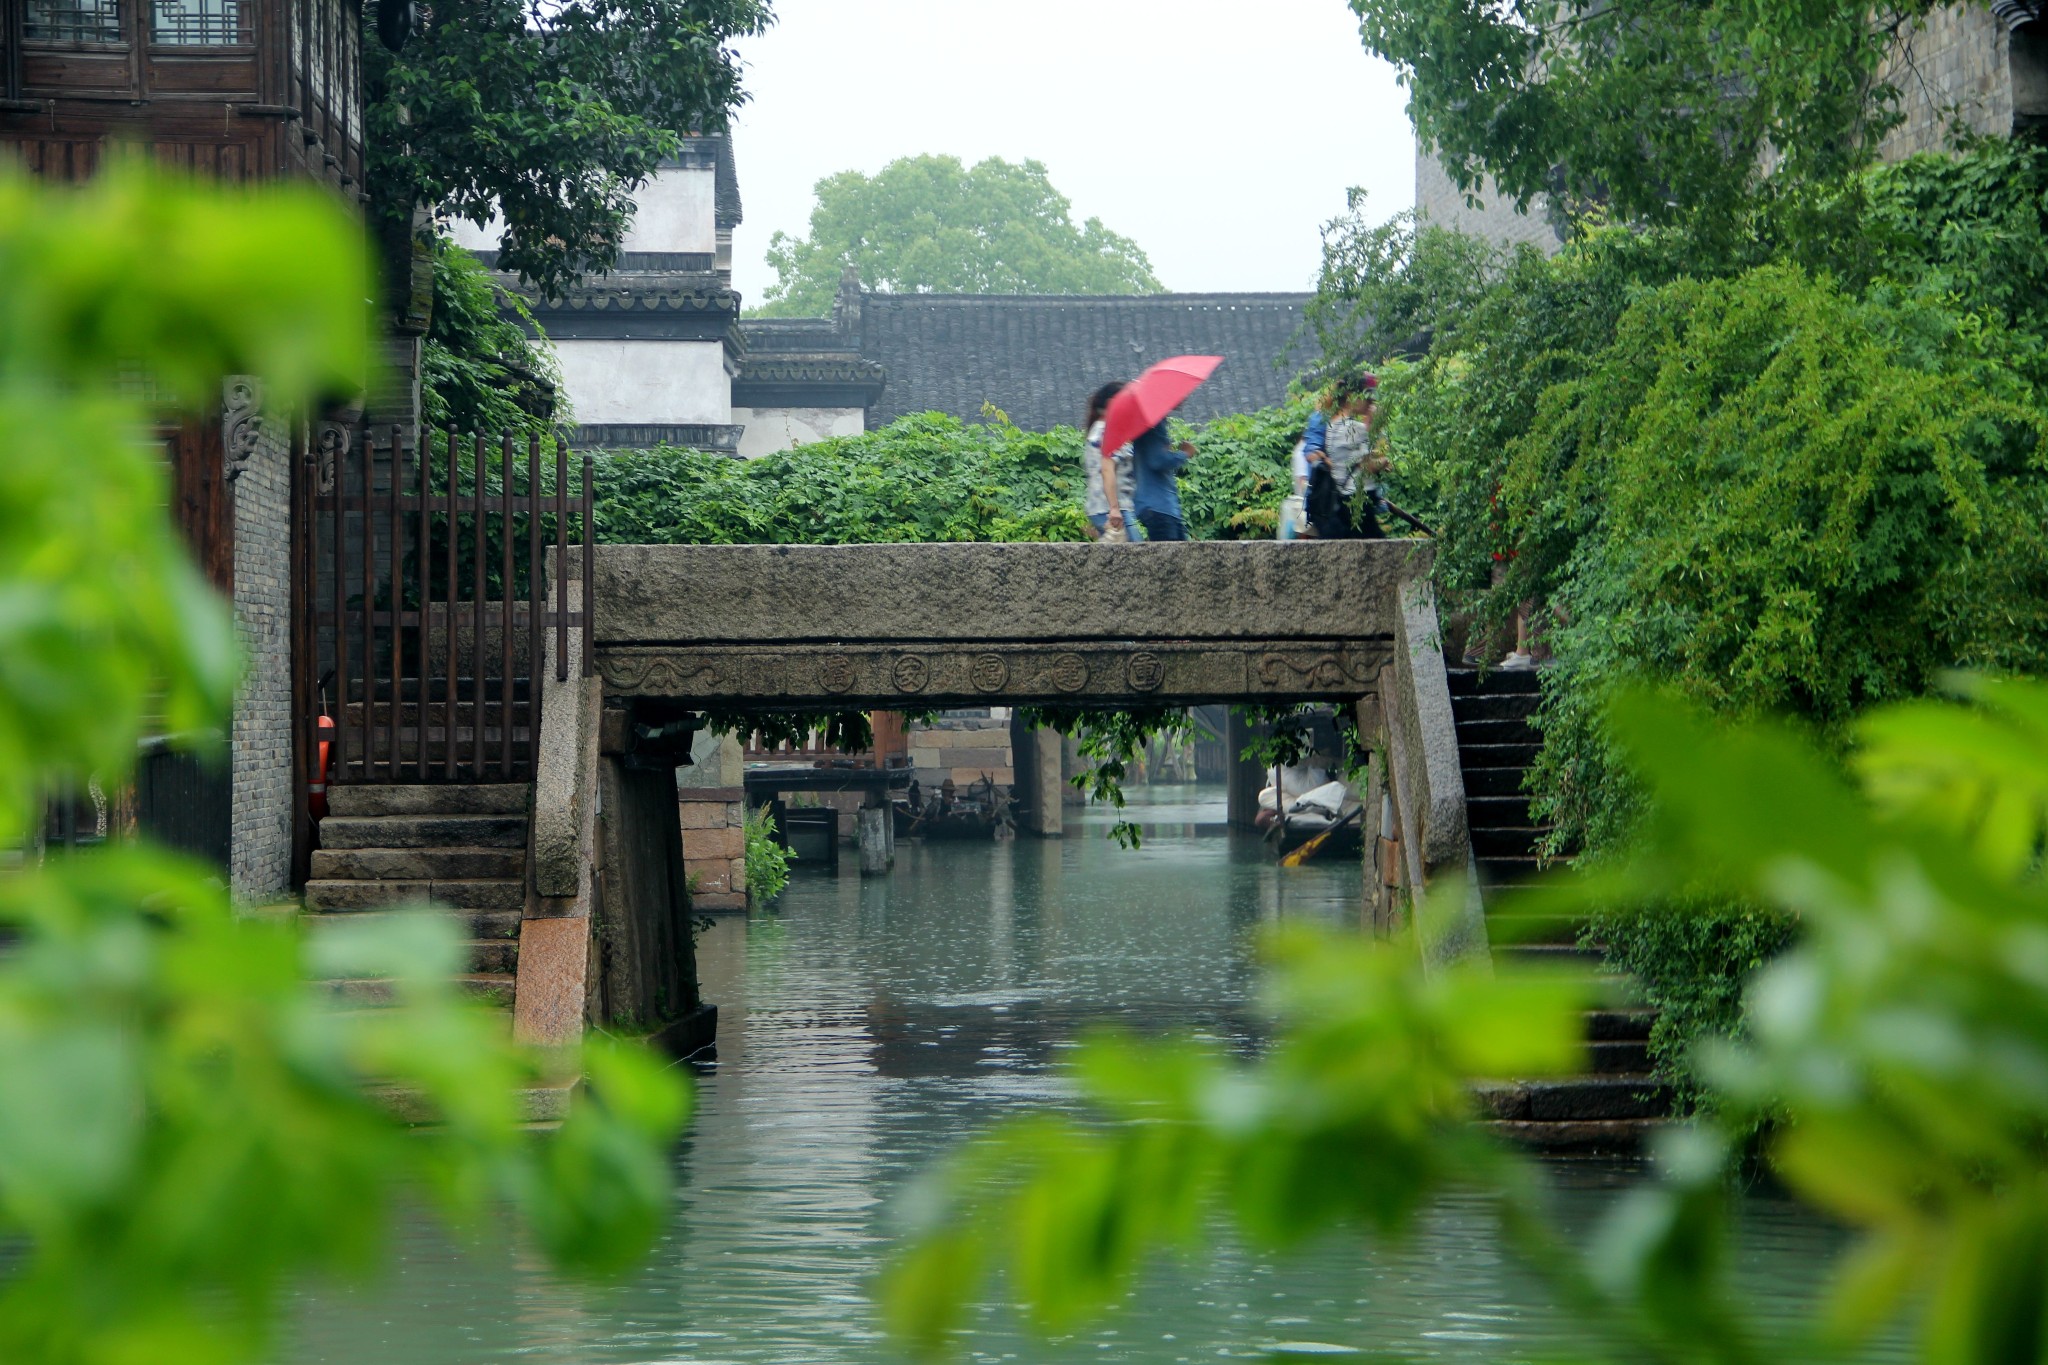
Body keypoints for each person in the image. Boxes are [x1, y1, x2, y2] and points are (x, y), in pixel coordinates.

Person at [1304, 373, 1391, 539]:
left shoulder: (1332, 425)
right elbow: (1369, 466)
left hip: (1343, 500)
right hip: (1360, 500)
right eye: (1368, 398)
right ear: (1352, 396)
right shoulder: (1355, 428)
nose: (1371, 402)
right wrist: (1385, 460)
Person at [1080, 381, 1139, 540]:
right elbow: (1107, 469)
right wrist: (1114, 508)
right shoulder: (1104, 430)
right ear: (1112, 403)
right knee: (1138, 555)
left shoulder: (1104, 429)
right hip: (1110, 507)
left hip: (1112, 506)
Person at [1131, 418, 1197, 542]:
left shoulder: (1144, 425)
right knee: (1172, 558)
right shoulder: (1154, 425)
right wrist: (1184, 453)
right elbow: (1158, 461)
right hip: (1160, 506)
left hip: (1158, 506)